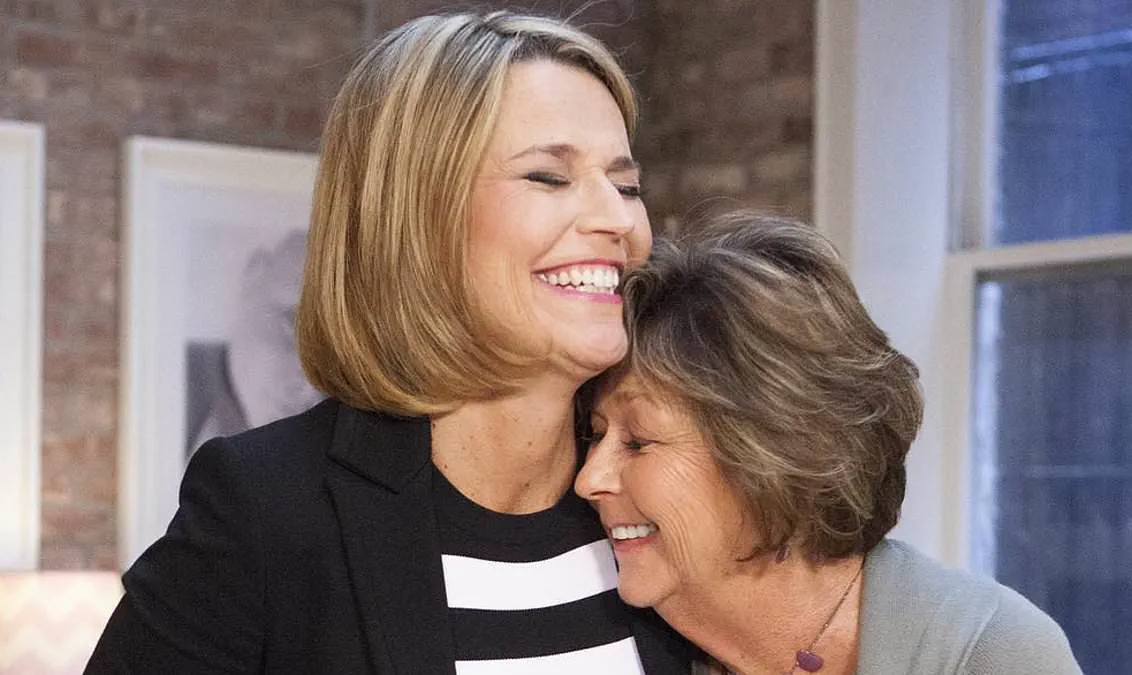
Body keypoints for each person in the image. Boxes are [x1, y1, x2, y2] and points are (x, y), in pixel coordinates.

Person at [88, 11, 692, 674]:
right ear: (415, 217)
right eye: (548, 177)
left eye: (626, 185)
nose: (617, 219)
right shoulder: (265, 510)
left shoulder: (674, 487)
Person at [576, 211, 1083, 675]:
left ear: (773, 452)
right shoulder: (604, 638)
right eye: (596, 435)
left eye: (638, 441)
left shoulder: (990, 654)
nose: (589, 479)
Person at [185, 229, 324, 459]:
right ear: (254, 273)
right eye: (291, 325)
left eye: (335, 362)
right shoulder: (164, 378)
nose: (310, 389)